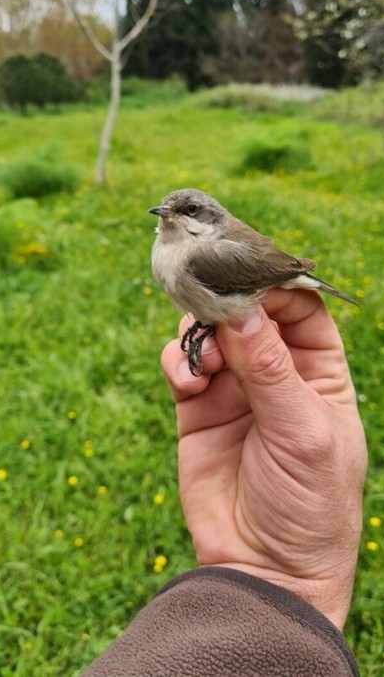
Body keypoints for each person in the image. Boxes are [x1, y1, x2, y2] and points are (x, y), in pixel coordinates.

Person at [83, 289, 367, 676]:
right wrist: (280, 583)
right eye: (167, 219)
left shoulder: (201, 255)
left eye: (189, 219)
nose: (169, 222)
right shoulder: (176, 254)